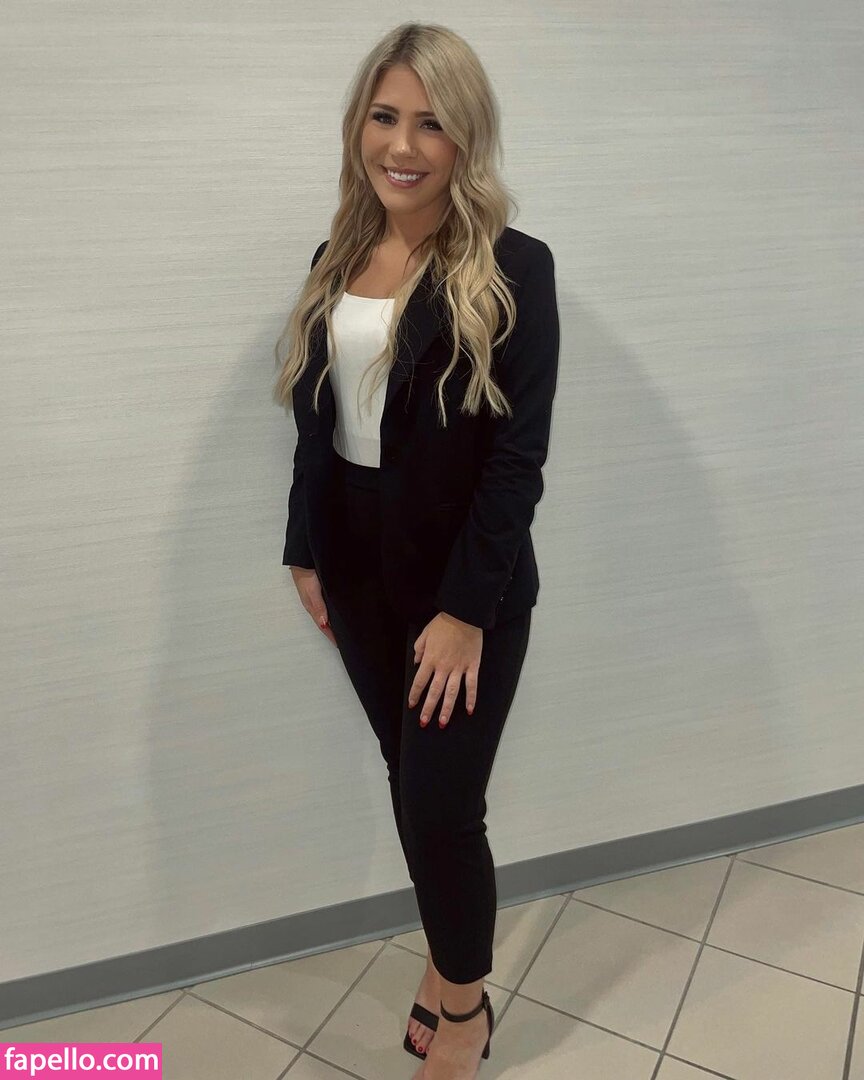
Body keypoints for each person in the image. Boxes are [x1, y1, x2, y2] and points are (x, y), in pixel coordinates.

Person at [272, 22, 560, 1080]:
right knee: (411, 780)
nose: (402, 145)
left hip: (460, 576)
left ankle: (466, 1008)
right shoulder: (336, 259)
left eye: (431, 123)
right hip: (353, 564)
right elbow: (317, 423)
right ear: (360, 126)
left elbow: (517, 460)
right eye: (384, 117)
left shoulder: (515, 267)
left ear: (464, 137)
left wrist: (468, 609)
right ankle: (447, 963)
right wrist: (305, 549)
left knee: (441, 804)